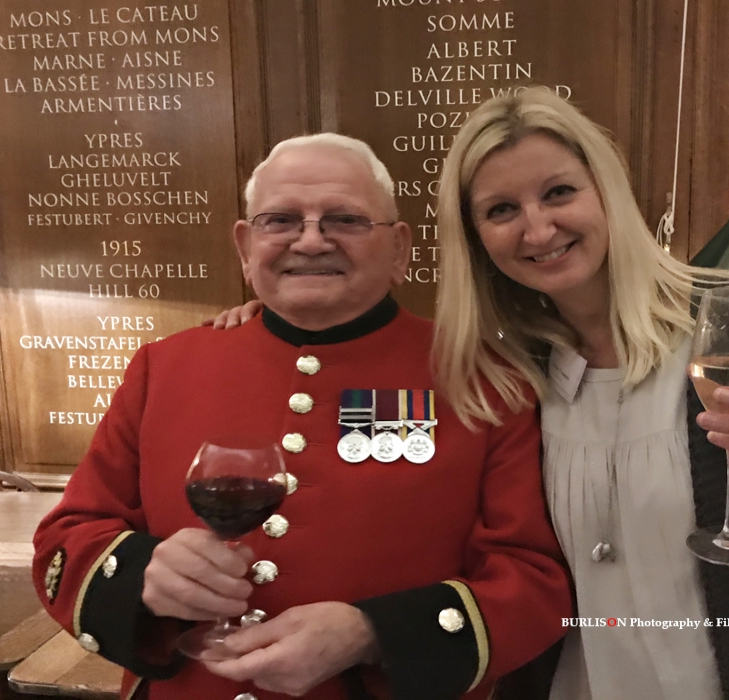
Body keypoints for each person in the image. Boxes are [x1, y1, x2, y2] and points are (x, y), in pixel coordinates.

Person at [214, 89, 729, 700]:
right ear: (476, 237)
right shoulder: (502, 372)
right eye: (501, 209)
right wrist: (272, 327)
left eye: (558, 193)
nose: (538, 229)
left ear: (606, 192)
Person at [33, 132, 572, 700]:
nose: (311, 241)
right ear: (245, 246)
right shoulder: (162, 368)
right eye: (281, 221)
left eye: (345, 220)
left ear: (399, 248)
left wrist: (371, 633)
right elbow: (66, 538)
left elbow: (533, 580)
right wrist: (146, 576)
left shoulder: (488, 380)